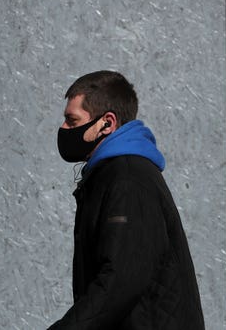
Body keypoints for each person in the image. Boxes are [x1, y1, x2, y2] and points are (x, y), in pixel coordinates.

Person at [49, 70, 205, 329]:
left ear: (107, 123)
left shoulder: (128, 180)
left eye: (72, 120)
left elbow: (121, 280)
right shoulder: (111, 175)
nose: (64, 129)